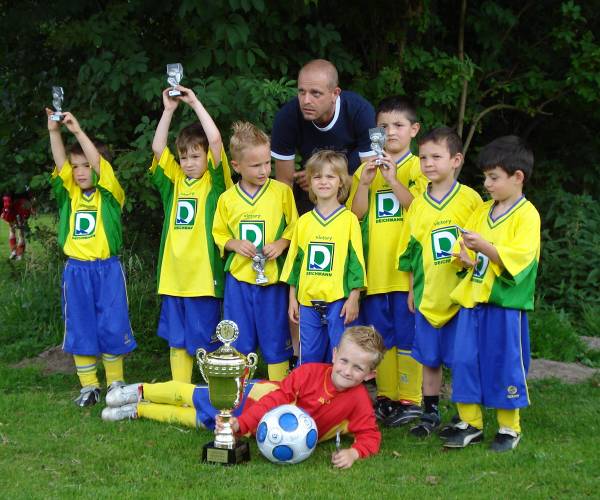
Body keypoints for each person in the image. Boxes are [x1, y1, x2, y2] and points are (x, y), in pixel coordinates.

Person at [102, 326, 385, 469]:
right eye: (344, 361)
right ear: (334, 354)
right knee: (197, 396)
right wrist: (243, 421)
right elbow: (275, 400)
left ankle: (138, 410)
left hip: (254, 428)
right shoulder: (309, 372)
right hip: (253, 399)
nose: (347, 371)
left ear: (370, 374)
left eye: (358, 367)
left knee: (198, 419)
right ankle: (140, 390)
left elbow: (370, 434)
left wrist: (354, 452)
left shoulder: (358, 401)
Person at [446, 136, 540, 452]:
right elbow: (465, 252)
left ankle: (509, 428)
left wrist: (485, 247)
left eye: (493, 177)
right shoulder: (482, 211)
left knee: (504, 363)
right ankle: (469, 423)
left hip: (504, 305)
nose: (487, 184)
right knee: (463, 360)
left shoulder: (527, 215)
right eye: (485, 177)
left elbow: (520, 261)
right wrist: (464, 257)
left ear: (517, 177)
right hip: (472, 301)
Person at [46, 108, 136, 407]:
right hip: (77, 271)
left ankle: (115, 383)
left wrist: (77, 130)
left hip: (106, 270)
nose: (81, 171)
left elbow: (98, 165)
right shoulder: (70, 193)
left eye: (86, 165)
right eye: (76, 167)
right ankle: (89, 387)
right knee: (81, 326)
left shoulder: (110, 195)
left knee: (112, 323)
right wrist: (54, 131)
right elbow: (60, 164)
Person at [396, 127, 483, 435]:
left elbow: (483, 243)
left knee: (462, 358)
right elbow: (411, 251)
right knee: (429, 358)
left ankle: (465, 413)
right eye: (423, 157)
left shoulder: (471, 200)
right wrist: (411, 289)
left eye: (436, 156)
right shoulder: (418, 205)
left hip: (461, 296)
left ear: (456, 160)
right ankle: (429, 412)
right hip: (428, 295)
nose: (428, 163)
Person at [347, 96, 428, 425]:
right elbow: (354, 216)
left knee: (408, 336)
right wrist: (365, 184)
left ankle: (411, 398)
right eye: (383, 126)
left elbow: (421, 211)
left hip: (405, 273)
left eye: (398, 125)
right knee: (381, 337)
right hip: (376, 271)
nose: (390, 131)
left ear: (414, 130)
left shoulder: (419, 167)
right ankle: (386, 397)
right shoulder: (365, 168)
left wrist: (393, 180)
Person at [150, 84, 231, 383]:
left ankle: (214, 393)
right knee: (177, 339)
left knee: (205, 339)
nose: (188, 163)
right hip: (174, 276)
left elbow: (216, 140)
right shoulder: (174, 182)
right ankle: (180, 391)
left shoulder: (215, 183)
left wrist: (194, 103)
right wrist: (168, 111)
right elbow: (158, 150)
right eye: (184, 157)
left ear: (207, 158)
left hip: (203, 279)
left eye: (196, 156)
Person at [212, 122, 298, 381]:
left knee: (275, 338)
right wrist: (234, 243)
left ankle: (278, 390)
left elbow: (295, 227)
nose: (264, 170)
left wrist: (281, 243)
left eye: (267, 163)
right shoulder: (227, 199)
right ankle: (241, 391)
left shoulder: (281, 192)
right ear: (236, 166)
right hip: (239, 280)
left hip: (271, 281)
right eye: (255, 165)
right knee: (239, 338)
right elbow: (219, 233)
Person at [280, 150, 366, 364]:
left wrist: (354, 297)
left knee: (340, 353)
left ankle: (337, 387)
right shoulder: (304, 222)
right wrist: (292, 299)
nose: (323, 181)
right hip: (308, 301)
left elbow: (356, 262)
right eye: (317, 176)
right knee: (309, 356)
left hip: (339, 301)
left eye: (330, 176)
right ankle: (310, 387)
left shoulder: (349, 220)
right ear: (310, 182)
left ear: (341, 182)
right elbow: (295, 264)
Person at [271, 59, 376, 215]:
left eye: (315, 93)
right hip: (312, 190)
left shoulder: (364, 111)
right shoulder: (285, 117)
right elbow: (284, 183)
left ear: (335, 94)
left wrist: (324, 180)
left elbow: (373, 175)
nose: (306, 101)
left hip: (356, 185)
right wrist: (289, 224)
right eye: (301, 92)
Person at [1, 191, 33, 260]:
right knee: (21, 231)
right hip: (23, 204)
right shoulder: (21, 187)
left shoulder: (9, 187)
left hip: (11, 206)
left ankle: (14, 252)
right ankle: (20, 255)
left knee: (12, 229)